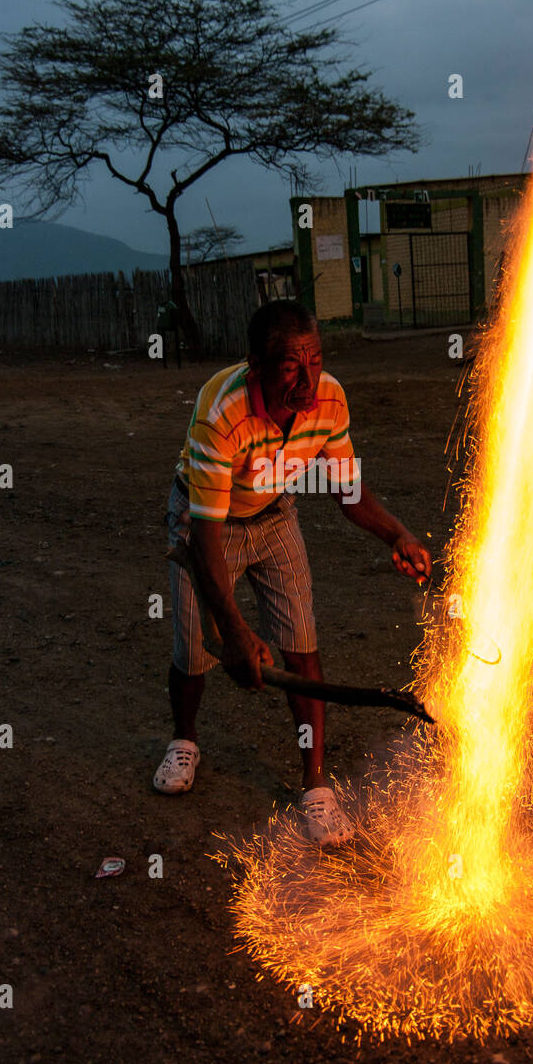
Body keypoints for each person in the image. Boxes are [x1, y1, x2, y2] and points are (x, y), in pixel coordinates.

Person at [154, 300, 431, 846]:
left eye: (315, 360)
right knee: (195, 649)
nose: (307, 380)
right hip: (204, 521)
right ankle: (184, 739)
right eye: (289, 366)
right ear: (256, 365)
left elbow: (347, 492)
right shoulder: (221, 411)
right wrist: (232, 630)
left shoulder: (329, 397)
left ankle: (315, 785)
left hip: (275, 512)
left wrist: (396, 533)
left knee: (301, 644)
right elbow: (207, 537)